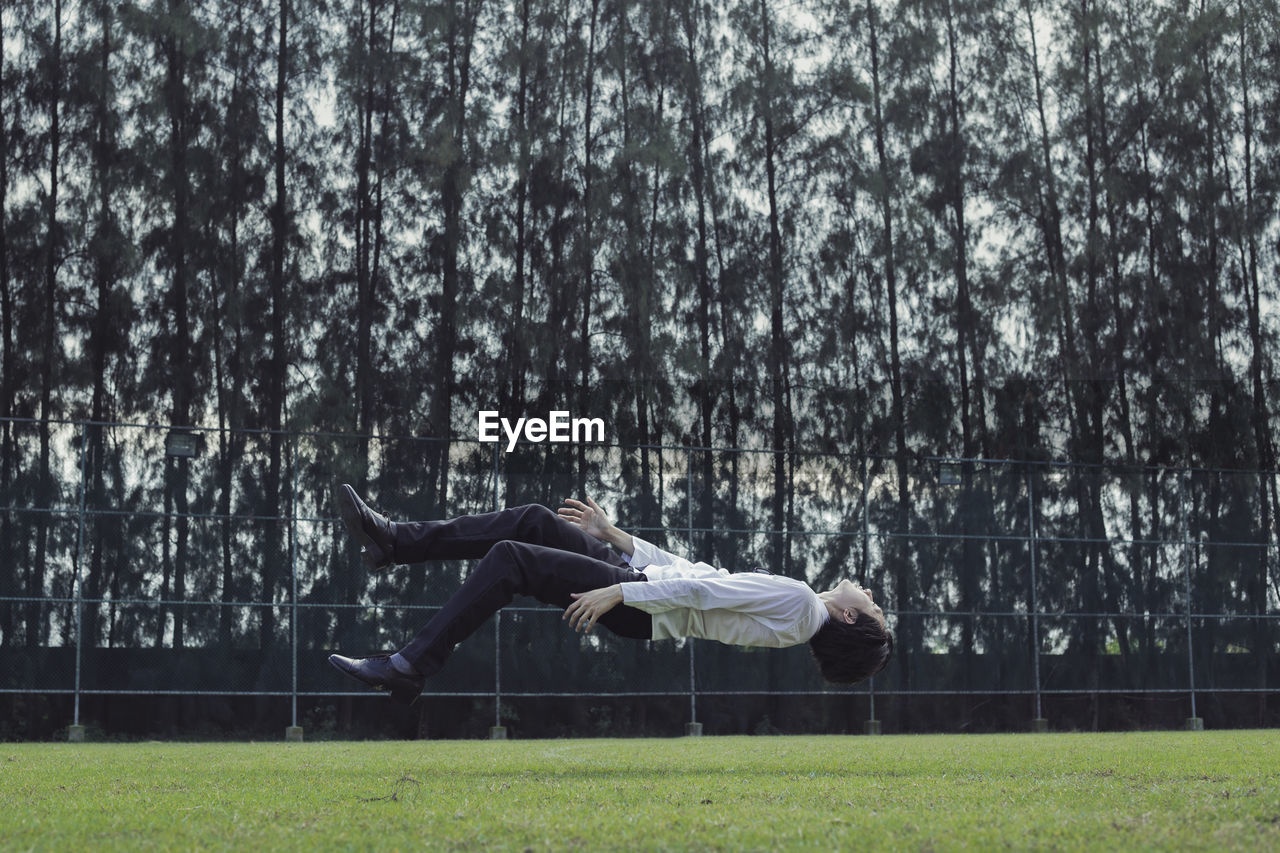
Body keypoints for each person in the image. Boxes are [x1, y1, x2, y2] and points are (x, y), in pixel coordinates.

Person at [328, 486, 892, 703]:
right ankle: (392, 542)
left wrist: (618, 590)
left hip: (641, 603)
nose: (870, 593)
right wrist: (615, 537)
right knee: (530, 521)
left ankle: (409, 665)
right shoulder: (801, 613)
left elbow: (699, 591)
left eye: (873, 605)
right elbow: (702, 577)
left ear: (846, 619)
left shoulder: (800, 603)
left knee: (511, 558)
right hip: (644, 595)